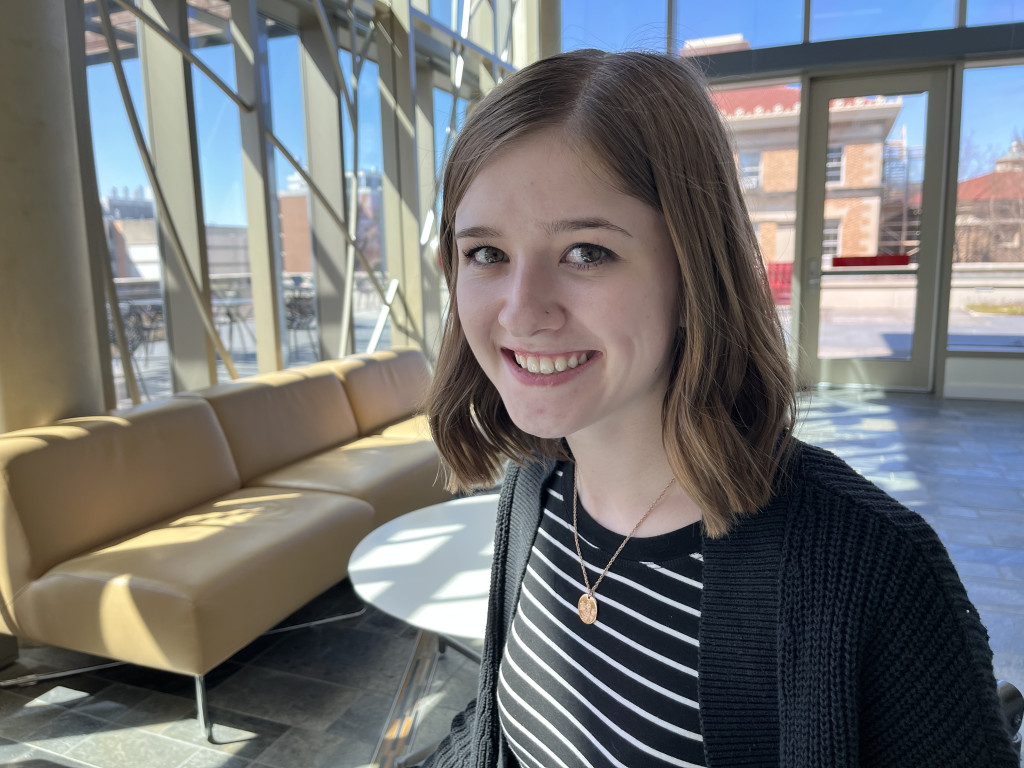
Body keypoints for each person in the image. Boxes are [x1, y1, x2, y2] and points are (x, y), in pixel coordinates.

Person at [423, 48, 1017, 767]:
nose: (521, 313)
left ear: (694, 268)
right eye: (485, 253)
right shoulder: (532, 493)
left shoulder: (874, 572)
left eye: (586, 252)